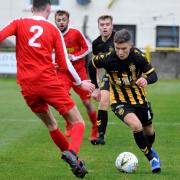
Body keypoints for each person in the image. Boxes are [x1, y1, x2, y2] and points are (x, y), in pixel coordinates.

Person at [0, 0, 95, 178]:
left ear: (32, 7)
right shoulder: (53, 30)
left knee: (51, 125)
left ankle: (77, 164)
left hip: (27, 87)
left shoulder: (18, 23)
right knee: (78, 122)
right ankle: (73, 154)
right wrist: (80, 82)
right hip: (48, 83)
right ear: (49, 9)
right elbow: (65, 63)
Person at [88, 29, 161, 173]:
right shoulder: (108, 57)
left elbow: (154, 75)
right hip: (119, 100)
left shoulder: (138, 56)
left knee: (149, 132)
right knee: (136, 126)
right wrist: (95, 87)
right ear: (114, 46)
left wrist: (146, 80)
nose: (120, 52)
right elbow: (91, 64)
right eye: (117, 48)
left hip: (139, 100)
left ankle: (150, 151)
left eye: (124, 49)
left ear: (131, 45)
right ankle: (152, 159)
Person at [54, 10, 98, 144]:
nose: (61, 22)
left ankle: (95, 128)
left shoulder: (75, 33)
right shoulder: (53, 33)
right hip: (63, 73)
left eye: (63, 20)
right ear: (55, 21)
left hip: (79, 72)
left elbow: (87, 48)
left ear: (68, 21)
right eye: (59, 20)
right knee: (62, 101)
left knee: (86, 102)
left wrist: (74, 56)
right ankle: (69, 123)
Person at [91, 15, 115, 145]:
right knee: (104, 101)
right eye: (102, 24)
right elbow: (95, 65)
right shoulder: (96, 43)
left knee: (133, 105)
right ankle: (100, 136)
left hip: (124, 77)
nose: (105, 27)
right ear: (98, 26)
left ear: (112, 26)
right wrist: (97, 86)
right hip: (107, 76)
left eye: (107, 24)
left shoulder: (119, 39)